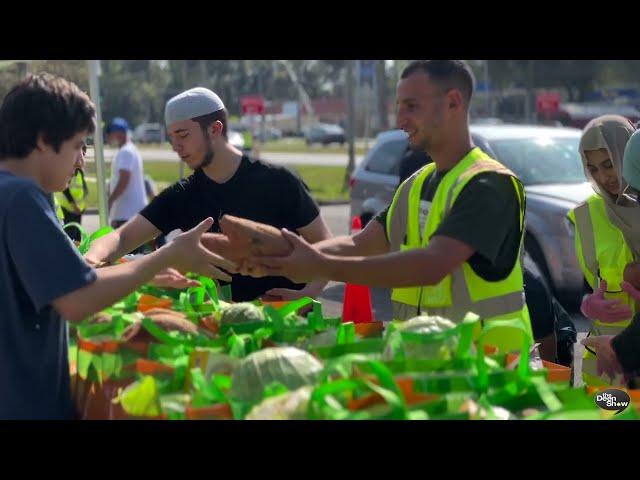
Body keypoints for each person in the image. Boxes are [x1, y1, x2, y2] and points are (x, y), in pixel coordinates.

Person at [246, 60, 533, 351]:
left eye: (411, 106)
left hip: (489, 372)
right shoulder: (417, 183)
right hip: (429, 368)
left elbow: (432, 265)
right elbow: (360, 245)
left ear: (453, 102)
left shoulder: (488, 184)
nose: (399, 120)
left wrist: (319, 264)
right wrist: (281, 259)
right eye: (399, 107)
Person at [0, 73, 235, 419]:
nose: (81, 161)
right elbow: (78, 299)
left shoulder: (14, 192)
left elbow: (64, 279)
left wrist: (147, 272)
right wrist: (167, 255)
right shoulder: (22, 197)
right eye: (78, 145)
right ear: (44, 140)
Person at [85, 87, 332, 301]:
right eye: (171, 138)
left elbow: (326, 247)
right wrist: (90, 260)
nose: (176, 146)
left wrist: (306, 295)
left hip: (287, 331)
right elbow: (121, 238)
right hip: (219, 334)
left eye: (183, 135)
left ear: (214, 129)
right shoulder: (182, 195)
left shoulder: (280, 183)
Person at [567, 115, 636, 387]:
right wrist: (588, 305)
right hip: (607, 360)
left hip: (635, 346)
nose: (603, 176)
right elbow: (590, 284)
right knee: (606, 412)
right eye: (592, 169)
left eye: (609, 164)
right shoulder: (586, 214)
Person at [106, 117, 147, 229]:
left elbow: (124, 180)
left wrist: (110, 200)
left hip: (126, 213)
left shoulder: (126, 152)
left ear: (119, 133)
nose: (108, 137)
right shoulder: (129, 150)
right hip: (129, 212)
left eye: (110, 133)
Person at [55, 144, 89, 242]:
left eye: (84, 153)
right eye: (81, 153)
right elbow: (66, 189)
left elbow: (82, 187)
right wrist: (73, 204)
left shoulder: (79, 171)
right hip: (69, 208)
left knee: (77, 235)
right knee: (70, 236)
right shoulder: (69, 170)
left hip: (77, 208)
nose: (82, 158)